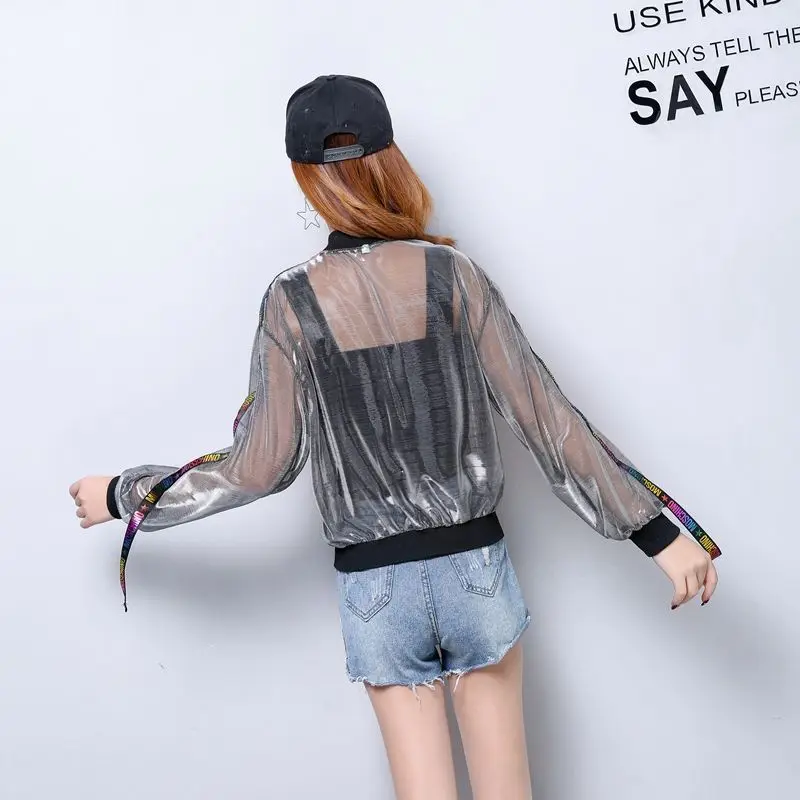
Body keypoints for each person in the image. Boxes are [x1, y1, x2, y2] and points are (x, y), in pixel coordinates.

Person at [69, 74, 720, 800]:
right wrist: (659, 534)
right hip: (475, 569)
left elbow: (259, 466)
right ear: (390, 160)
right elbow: (546, 418)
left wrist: (126, 494)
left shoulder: (291, 301)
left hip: (375, 589)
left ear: (305, 177)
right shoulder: (453, 275)